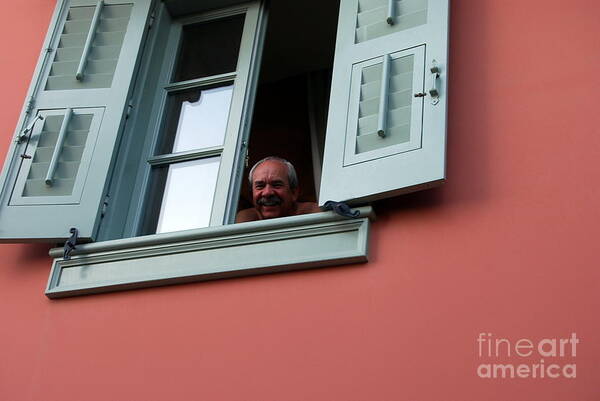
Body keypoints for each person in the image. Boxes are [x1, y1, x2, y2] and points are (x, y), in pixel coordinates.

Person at [235, 156, 321, 223]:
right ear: (251, 195)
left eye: (276, 185)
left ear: (294, 193)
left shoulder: (314, 215)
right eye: (260, 186)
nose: (267, 193)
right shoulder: (245, 220)